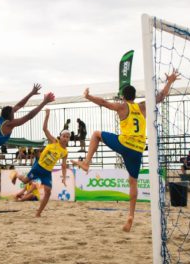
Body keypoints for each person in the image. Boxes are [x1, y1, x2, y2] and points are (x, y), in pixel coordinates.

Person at [72, 70, 180, 232]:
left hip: (124, 143)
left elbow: (103, 103)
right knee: (133, 182)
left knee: (96, 134)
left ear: (123, 96)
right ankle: (130, 215)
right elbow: (161, 96)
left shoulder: (123, 107)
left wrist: (88, 97)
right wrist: (170, 81)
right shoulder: (143, 106)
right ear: (134, 96)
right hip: (137, 150)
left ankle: (87, 163)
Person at [11, 108, 69, 217]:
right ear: (60, 137)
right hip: (38, 167)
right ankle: (16, 174)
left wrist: (64, 177)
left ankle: (38, 213)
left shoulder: (65, 152)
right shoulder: (53, 141)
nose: (65, 138)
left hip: (47, 172)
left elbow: (64, 165)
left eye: (67, 137)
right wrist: (47, 115)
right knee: (25, 181)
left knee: (48, 192)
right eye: (64, 136)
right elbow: (44, 128)